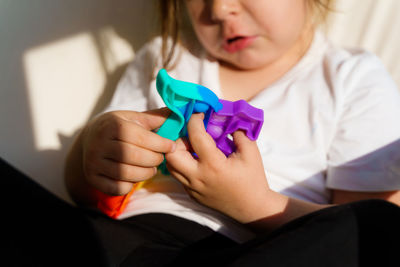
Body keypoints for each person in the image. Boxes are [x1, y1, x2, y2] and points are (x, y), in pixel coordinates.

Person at [5, 0, 400, 266]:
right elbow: (88, 193)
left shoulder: (351, 77)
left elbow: (361, 223)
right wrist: (92, 152)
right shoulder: (165, 58)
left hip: (258, 248)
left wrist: (256, 206)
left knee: (384, 225)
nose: (220, 9)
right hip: (121, 238)